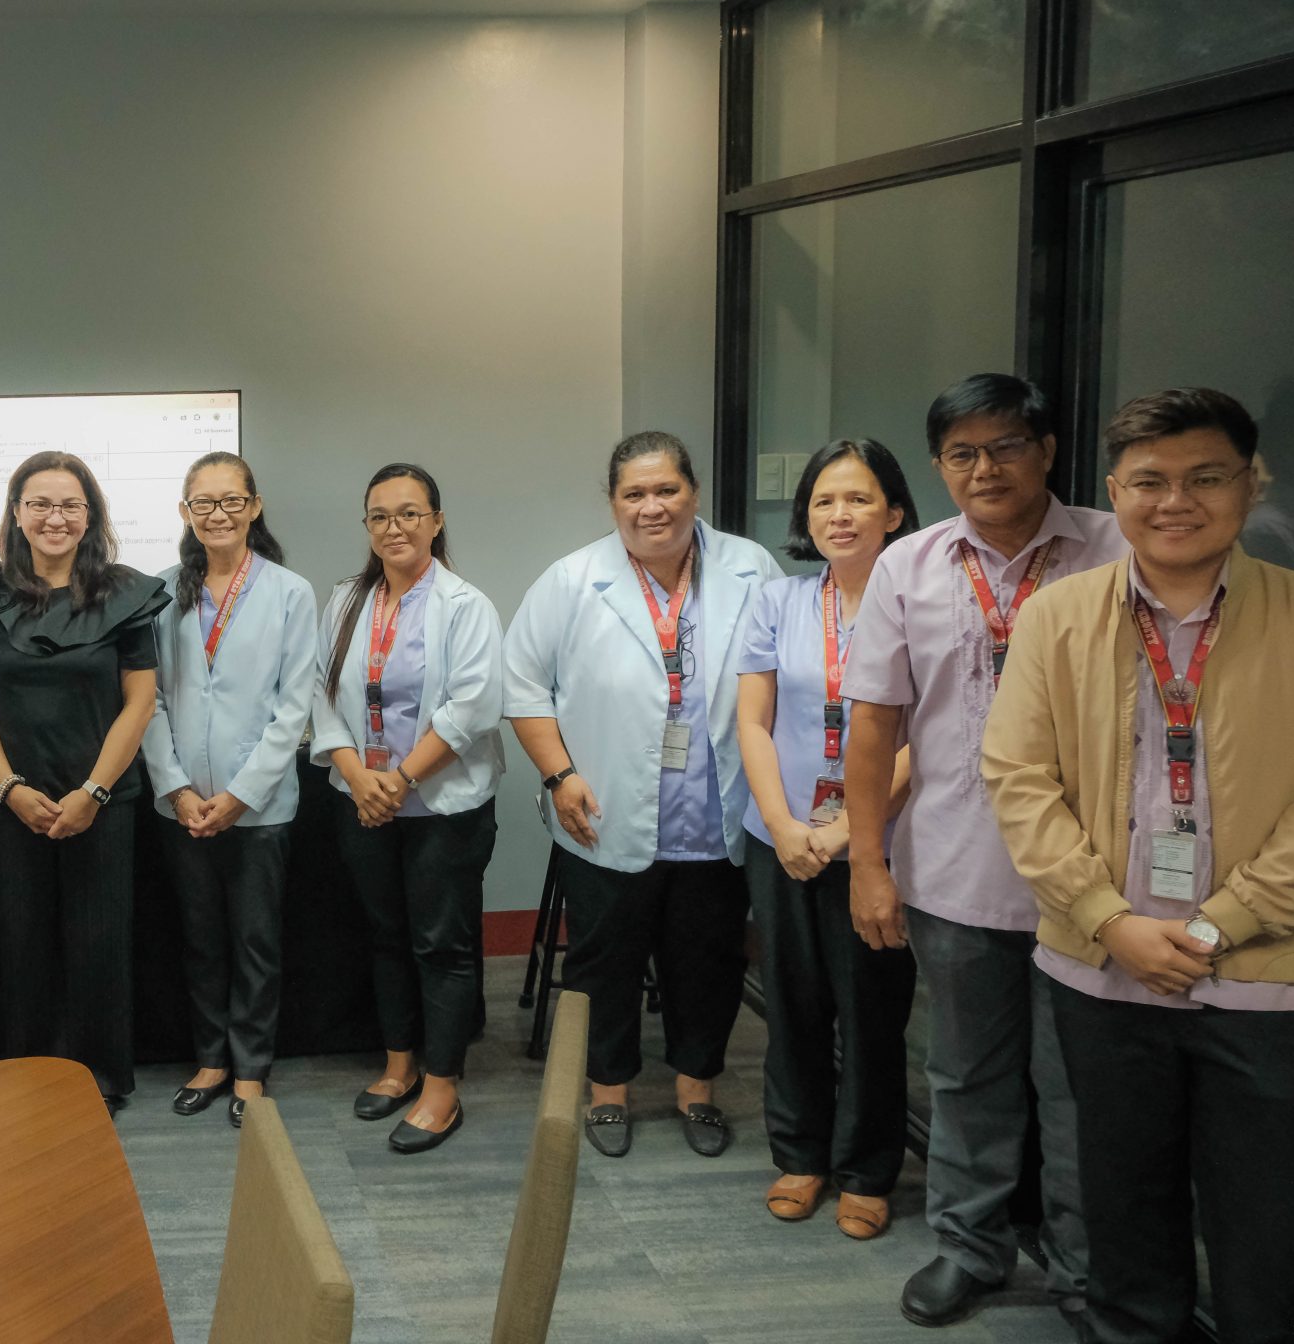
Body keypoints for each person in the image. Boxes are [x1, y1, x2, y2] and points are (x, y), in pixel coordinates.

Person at [985, 387, 1294, 1344]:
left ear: (1253, 485)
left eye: (1206, 478)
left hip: (1264, 982)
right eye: (1150, 481)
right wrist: (1108, 919)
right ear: (1114, 493)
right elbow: (1018, 779)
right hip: (1103, 977)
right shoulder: (1054, 618)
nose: (1176, 501)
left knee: (1274, 1245)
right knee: (1125, 1230)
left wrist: (1218, 925)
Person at [838, 372, 1123, 1330]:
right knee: (965, 1076)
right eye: (962, 453)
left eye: (1005, 446)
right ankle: (970, 1247)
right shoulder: (908, 566)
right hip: (955, 873)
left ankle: (1085, 1270)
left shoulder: (1115, 548)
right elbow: (873, 724)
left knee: (1080, 1087)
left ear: (1046, 451)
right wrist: (868, 864)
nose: (985, 467)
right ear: (938, 466)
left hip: (1094, 882)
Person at [503, 432, 781, 1162]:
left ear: (694, 492)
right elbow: (522, 686)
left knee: (708, 960)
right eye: (634, 493)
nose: (651, 507)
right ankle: (608, 1091)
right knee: (604, 963)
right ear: (613, 502)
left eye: (666, 490)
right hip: (603, 813)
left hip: (714, 813)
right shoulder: (571, 579)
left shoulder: (750, 568)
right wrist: (559, 776)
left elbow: (781, 678)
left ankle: (697, 1089)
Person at [732, 439, 921, 1240]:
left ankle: (869, 1169)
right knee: (793, 1003)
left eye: (859, 498)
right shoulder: (777, 602)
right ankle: (800, 1154)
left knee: (872, 1012)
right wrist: (782, 825)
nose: (840, 515)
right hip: (781, 842)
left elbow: (925, 738)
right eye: (824, 501)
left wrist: (848, 831)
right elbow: (753, 721)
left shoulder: (918, 603)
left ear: (895, 512)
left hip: (880, 845)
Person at [0, 451, 168, 1109]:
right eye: (40, 504)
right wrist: (9, 789)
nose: (56, 517)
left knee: (99, 946)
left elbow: (140, 702)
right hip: (17, 803)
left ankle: (99, 1080)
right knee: (23, 947)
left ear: (91, 515)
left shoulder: (126, 593)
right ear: (17, 514)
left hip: (103, 801)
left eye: (71, 505)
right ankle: (30, 1079)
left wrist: (93, 793)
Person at [312, 463, 504, 1155]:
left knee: (441, 946)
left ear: (436, 521)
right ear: (367, 526)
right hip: (361, 799)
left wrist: (397, 782)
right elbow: (320, 693)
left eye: (409, 513)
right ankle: (399, 1066)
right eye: (380, 516)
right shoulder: (345, 601)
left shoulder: (466, 605)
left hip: (442, 809)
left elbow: (472, 708)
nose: (394, 527)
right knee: (385, 936)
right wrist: (357, 777)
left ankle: (442, 1088)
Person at [142, 452, 318, 1129]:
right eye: (204, 503)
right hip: (183, 806)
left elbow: (293, 707)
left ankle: (250, 1068)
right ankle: (211, 1059)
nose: (218, 514)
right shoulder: (161, 593)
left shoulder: (289, 592)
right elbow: (150, 701)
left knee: (254, 942)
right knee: (200, 940)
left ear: (254, 506)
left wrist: (242, 794)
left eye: (231, 501)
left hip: (259, 808)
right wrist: (176, 788)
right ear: (185, 512)